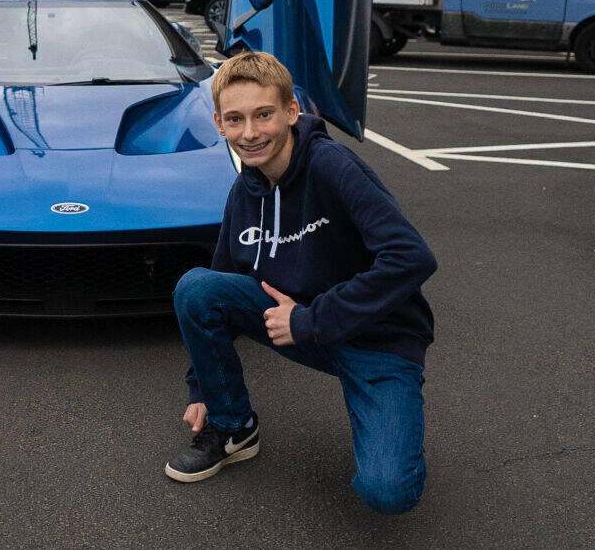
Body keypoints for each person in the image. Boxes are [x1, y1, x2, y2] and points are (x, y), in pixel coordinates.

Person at [165, 51, 436, 514]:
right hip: (299, 326)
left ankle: (389, 432)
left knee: (388, 491)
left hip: (376, 340)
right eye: (235, 119)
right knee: (196, 285)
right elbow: (221, 281)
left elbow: (412, 257)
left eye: (263, 115)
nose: (250, 133)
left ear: (292, 112)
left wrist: (313, 319)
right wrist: (202, 388)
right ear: (219, 123)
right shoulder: (244, 189)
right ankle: (234, 427)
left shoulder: (332, 166)